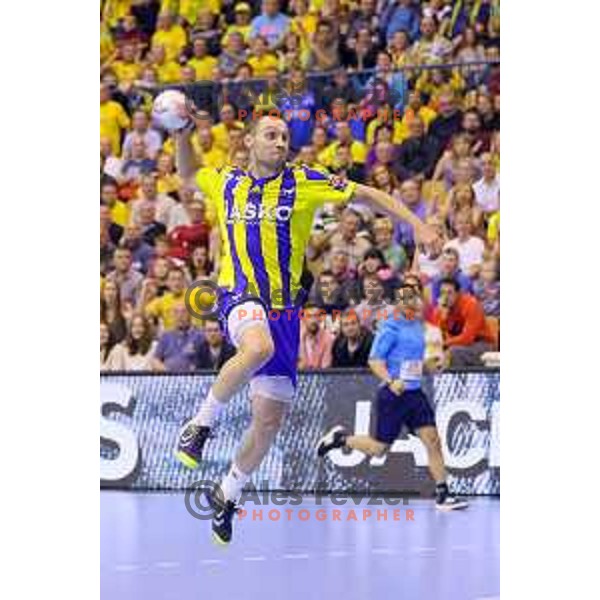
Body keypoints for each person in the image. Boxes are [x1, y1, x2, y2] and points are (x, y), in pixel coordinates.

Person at [173, 114, 441, 544]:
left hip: (284, 313)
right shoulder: (226, 182)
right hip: (239, 294)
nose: (281, 142)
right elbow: (187, 172)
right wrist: (182, 133)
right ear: (249, 142)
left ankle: (227, 494)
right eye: (271, 135)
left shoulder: (304, 181)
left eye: (284, 136)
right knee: (255, 347)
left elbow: (368, 193)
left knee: (267, 423)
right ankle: (200, 425)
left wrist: (418, 223)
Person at [317, 281, 468, 511]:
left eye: (413, 296)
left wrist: (431, 365)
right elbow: (375, 361)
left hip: (415, 394)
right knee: (379, 449)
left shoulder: (418, 326)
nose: (411, 301)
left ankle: (443, 493)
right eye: (405, 298)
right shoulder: (389, 328)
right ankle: (340, 440)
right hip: (392, 396)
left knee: (433, 441)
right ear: (397, 303)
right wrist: (391, 381)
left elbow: (415, 363)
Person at [430, 277, 496, 367]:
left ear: (458, 293)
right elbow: (436, 335)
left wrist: (444, 344)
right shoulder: (440, 309)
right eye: (442, 293)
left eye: (449, 293)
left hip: (482, 344)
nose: (445, 297)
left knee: (454, 352)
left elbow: (467, 338)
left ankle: (457, 380)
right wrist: (442, 318)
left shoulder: (471, 305)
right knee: (431, 352)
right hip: (455, 344)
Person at [152, 302, 206, 372]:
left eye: (183, 312)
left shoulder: (199, 335)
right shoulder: (166, 336)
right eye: (176, 312)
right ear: (172, 316)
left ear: (190, 315)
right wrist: (167, 371)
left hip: (191, 377)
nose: (180, 316)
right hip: (168, 376)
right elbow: (155, 360)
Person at [298, 305, 335, 369]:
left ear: (320, 318)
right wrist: (301, 341)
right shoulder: (296, 338)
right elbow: (299, 366)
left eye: (316, 316)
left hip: (321, 377)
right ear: (303, 319)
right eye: (309, 316)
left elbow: (325, 368)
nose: (313, 320)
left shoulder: (329, 338)